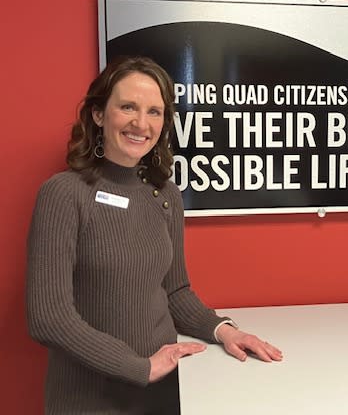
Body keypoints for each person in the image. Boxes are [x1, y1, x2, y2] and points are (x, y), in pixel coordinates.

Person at [26, 56, 283, 414]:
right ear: (99, 115)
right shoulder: (63, 193)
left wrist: (224, 330)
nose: (140, 123)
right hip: (90, 398)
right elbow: (48, 318)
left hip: (163, 391)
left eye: (154, 112)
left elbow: (175, 290)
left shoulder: (165, 194)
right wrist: (139, 367)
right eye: (128, 107)